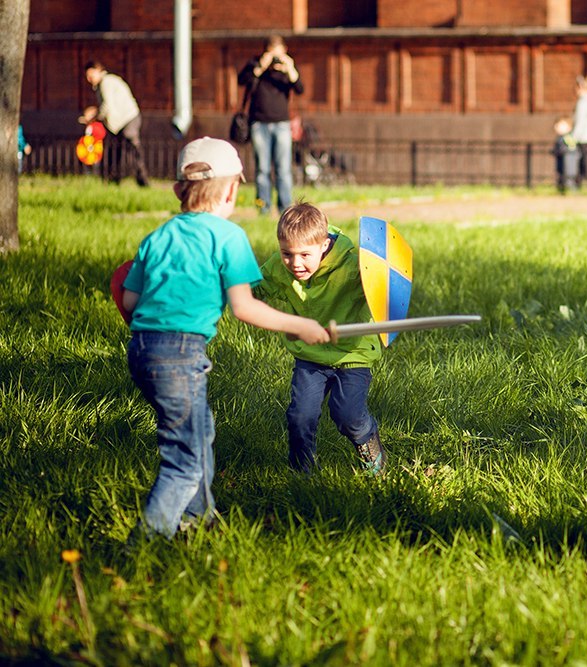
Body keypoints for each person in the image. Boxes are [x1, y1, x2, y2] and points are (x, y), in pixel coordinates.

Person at [120, 138, 330, 538]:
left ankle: (202, 519)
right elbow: (244, 308)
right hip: (181, 355)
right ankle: (144, 543)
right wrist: (299, 325)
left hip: (142, 351)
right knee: (182, 462)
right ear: (232, 190)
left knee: (200, 432)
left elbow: (129, 300)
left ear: (179, 190)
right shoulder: (228, 237)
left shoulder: (158, 236)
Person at [254, 203, 387, 476]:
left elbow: (381, 287)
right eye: (287, 254)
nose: (295, 263)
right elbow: (256, 289)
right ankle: (302, 471)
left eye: (305, 254)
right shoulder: (281, 269)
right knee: (300, 417)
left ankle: (369, 443)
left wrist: (375, 280)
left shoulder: (352, 267)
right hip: (310, 356)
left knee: (347, 415)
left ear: (324, 245)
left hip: (352, 354)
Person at [238, 35, 304, 215]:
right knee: (262, 169)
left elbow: (299, 88)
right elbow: (242, 80)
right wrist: (261, 65)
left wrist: (289, 67)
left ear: (284, 51)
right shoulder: (256, 64)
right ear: (265, 50)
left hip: (282, 124)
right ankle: (263, 208)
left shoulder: (286, 70)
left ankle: (285, 209)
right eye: (271, 52)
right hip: (259, 123)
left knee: (283, 169)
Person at [81, 60, 149, 187]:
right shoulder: (106, 82)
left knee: (131, 150)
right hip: (119, 123)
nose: (89, 79)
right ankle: (114, 181)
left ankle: (142, 182)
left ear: (99, 70)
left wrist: (94, 117)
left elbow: (107, 106)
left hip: (127, 120)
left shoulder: (106, 82)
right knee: (116, 151)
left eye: (91, 75)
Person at [552, 117, 580, 193]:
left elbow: (572, 148)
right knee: (561, 176)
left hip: (568, 162)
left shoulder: (568, 138)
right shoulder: (560, 138)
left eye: (560, 125)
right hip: (561, 162)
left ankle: (572, 191)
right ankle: (562, 190)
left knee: (569, 177)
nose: (557, 128)